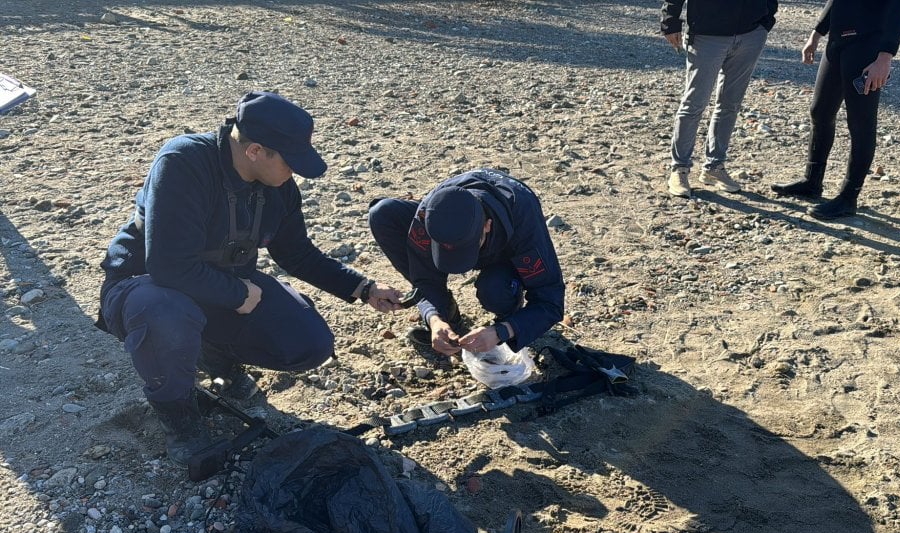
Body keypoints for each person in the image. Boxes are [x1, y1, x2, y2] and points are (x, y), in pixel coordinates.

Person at [96, 91, 402, 465]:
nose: (295, 172)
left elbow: (297, 254)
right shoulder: (184, 162)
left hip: (216, 289)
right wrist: (236, 292)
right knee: (165, 311)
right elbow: (167, 265)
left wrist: (364, 288)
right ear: (255, 151)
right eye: (290, 162)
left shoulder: (278, 188)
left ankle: (213, 354)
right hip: (143, 288)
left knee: (308, 342)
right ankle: (178, 414)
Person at [368, 169, 564, 357]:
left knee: (494, 289)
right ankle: (447, 311)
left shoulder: (524, 221)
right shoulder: (429, 215)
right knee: (382, 213)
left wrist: (502, 331)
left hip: (504, 251)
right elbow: (424, 279)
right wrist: (434, 319)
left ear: (487, 226)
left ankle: (508, 310)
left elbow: (551, 300)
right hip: (458, 227)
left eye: (468, 249)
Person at [772, 0, 900, 220]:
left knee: (860, 122)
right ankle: (812, 182)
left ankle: (848, 198)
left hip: (868, 46)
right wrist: (816, 33)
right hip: (838, 41)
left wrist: (885, 57)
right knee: (820, 111)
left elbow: (899, 8)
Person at [660, 0, 778, 198]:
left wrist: (766, 21)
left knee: (730, 105)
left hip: (750, 34)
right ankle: (679, 169)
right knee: (694, 104)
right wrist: (670, 21)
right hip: (706, 34)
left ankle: (714, 167)